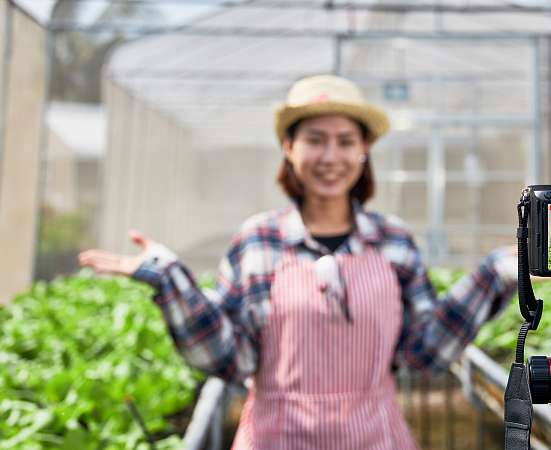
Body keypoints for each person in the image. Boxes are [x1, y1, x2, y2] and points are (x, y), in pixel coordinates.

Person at [78, 74, 518, 449]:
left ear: (364, 149)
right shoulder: (257, 241)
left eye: (346, 141)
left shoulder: (392, 240)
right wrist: (171, 282)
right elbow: (232, 359)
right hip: (276, 435)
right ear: (288, 148)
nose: (331, 157)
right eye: (314, 140)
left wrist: (494, 274)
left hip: (375, 435)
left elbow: (423, 353)